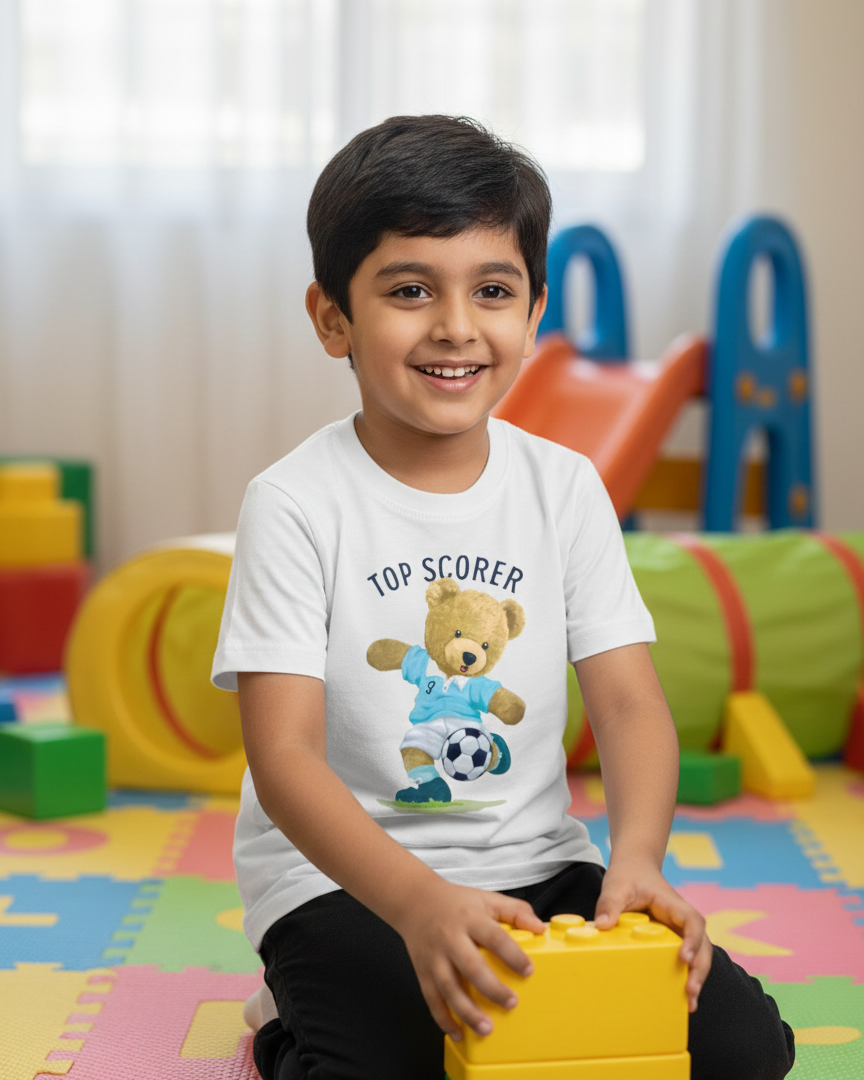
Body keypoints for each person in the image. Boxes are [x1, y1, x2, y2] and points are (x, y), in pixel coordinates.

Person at [211, 114, 795, 1080]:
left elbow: (629, 700)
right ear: (333, 319)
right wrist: (418, 905)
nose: (455, 325)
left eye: (492, 290)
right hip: (341, 882)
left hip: (539, 865)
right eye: (409, 290)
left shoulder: (564, 489)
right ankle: (283, 1019)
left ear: (533, 314)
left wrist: (637, 865)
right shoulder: (293, 502)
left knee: (741, 1054)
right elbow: (282, 757)